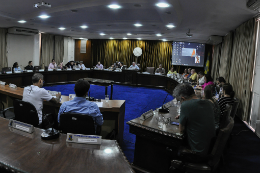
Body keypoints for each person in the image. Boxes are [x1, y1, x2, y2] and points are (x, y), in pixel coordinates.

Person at [173, 83, 215, 159]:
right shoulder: (209, 103)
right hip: (209, 149)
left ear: (183, 98)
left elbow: (181, 130)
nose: (180, 103)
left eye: (180, 101)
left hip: (196, 153)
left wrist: (183, 116)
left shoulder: (186, 105)